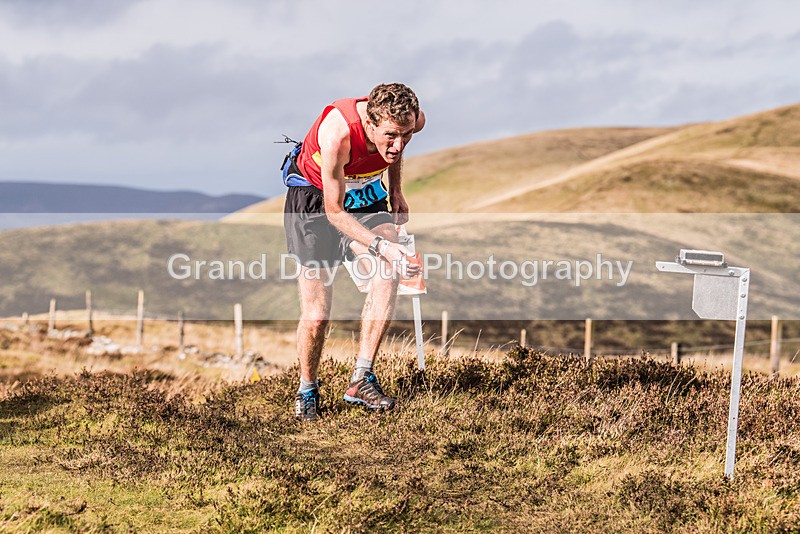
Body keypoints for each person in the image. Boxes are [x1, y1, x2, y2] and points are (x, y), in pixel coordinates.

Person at [282, 83, 425, 421]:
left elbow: (392, 154)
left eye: (406, 135)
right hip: (316, 199)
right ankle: (307, 389)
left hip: (367, 194)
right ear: (370, 125)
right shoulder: (338, 134)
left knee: (387, 271)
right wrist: (381, 244)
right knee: (317, 314)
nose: (399, 144)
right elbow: (334, 211)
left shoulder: (413, 119)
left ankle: (361, 379)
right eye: (390, 135)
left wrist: (396, 190)